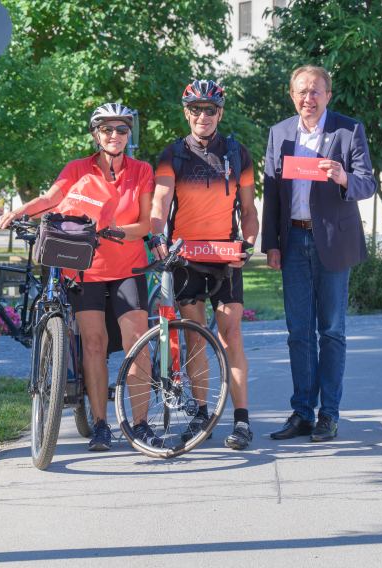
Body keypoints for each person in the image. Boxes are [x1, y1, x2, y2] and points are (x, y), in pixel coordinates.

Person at [0, 103, 155, 451]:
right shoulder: (77, 170)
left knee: (137, 342)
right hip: (85, 270)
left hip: (128, 267)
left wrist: (117, 231)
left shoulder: (142, 170)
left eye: (122, 130)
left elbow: (145, 224)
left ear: (129, 134)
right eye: (107, 130)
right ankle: (101, 424)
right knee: (94, 344)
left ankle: (140, 424)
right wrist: (18, 211)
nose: (115, 136)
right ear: (96, 134)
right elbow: (49, 199)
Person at [261, 65, 376, 443]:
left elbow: (367, 183)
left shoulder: (348, 129)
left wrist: (344, 177)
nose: (307, 98)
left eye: (315, 92)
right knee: (298, 332)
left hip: (332, 243)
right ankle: (302, 413)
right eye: (301, 92)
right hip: (293, 241)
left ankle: (329, 414)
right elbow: (273, 193)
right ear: (291, 95)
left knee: (331, 330)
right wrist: (271, 244)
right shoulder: (280, 133)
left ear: (328, 95)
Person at [150, 79, 259, 450]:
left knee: (231, 336)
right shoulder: (173, 154)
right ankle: (201, 413)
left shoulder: (237, 153)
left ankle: (241, 420)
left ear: (220, 113)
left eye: (209, 109)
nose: (202, 116)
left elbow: (248, 210)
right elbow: (160, 203)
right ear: (186, 113)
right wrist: (157, 236)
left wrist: (248, 242)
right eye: (195, 109)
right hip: (186, 258)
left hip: (225, 258)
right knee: (195, 337)